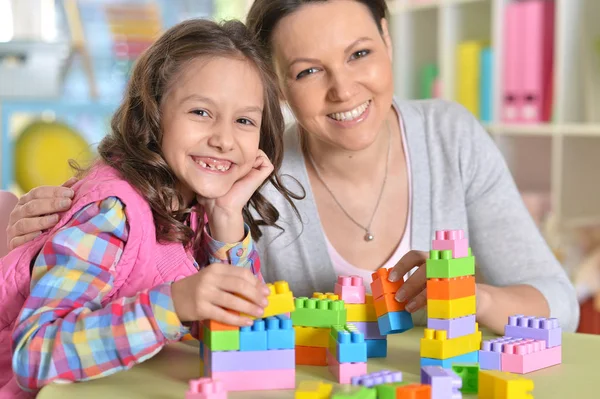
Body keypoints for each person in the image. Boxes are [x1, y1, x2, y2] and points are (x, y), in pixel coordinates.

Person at [7, 0, 580, 336]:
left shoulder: (449, 136)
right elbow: (165, 265)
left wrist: (474, 298)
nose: (344, 89)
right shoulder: (242, 166)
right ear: (275, 84)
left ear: (387, 38)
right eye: (308, 71)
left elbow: (561, 304)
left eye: (360, 54)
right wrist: (26, 234)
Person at [0, 18, 298, 396]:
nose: (224, 139)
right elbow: (33, 355)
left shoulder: (194, 202)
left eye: (243, 120)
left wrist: (226, 216)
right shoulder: (111, 214)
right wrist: (172, 305)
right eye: (201, 112)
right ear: (154, 112)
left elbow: (238, 332)